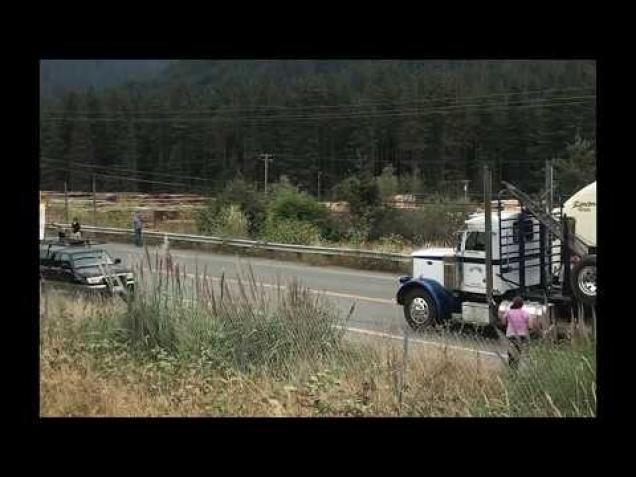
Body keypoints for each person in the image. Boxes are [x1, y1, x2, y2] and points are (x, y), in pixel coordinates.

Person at [501, 296, 533, 370]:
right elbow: (531, 326)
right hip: (522, 336)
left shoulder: (509, 312)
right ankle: (516, 366)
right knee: (519, 351)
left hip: (511, 335)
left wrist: (507, 324)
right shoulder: (526, 313)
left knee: (511, 352)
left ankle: (512, 368)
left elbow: (503, 322)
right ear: (522, 305)